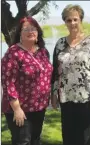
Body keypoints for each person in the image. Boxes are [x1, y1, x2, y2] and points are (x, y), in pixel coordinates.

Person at [51, 4, 90, 145]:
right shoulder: (60, 43)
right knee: (68, 137)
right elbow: (55, 71)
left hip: (86, 99)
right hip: (66, 98)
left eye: (75, 19)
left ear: (80, 20)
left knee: (85, 138)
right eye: (69, 20)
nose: (72, 23)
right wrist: (54, 95)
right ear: (65, 22)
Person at [1, 16, 53, 145]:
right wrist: (17, 109)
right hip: (20, 109)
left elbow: (47, 75)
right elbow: (8, 82)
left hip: (39, 107)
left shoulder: (43, 52)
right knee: (22, 141)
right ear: (20, 33)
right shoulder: (13, 52)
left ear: (38, 32)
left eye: (33, 28)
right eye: (26, 29)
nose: (30, 31)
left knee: (35, 141)